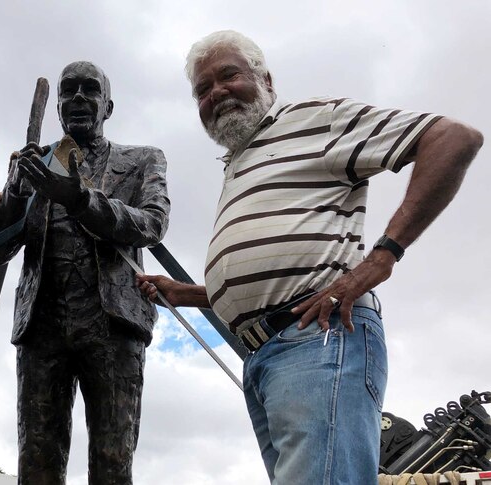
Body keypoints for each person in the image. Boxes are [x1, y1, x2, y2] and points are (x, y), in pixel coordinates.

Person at [137, 31, 483, 484]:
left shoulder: (315, 120)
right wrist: (196, 295)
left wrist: (383, 256)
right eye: (202, 90)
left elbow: (452, 138)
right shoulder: (238, 162)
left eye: (228, 76)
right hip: (267, 357)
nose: (216, 92)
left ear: (265, 78)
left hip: (318, 340)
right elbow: (289, 268)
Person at [0, 61, 170, 484]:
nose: (78, 98)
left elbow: (152, 224)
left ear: (108, 106)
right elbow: (1, 251)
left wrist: (81, 200)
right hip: (42, 328)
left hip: (112, 326)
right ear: (56, 107)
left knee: (112, 462)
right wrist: (17, 189)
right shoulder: (32, 164)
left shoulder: (142, 160)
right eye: (68, 90)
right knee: (36, 463)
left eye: (91, 90)